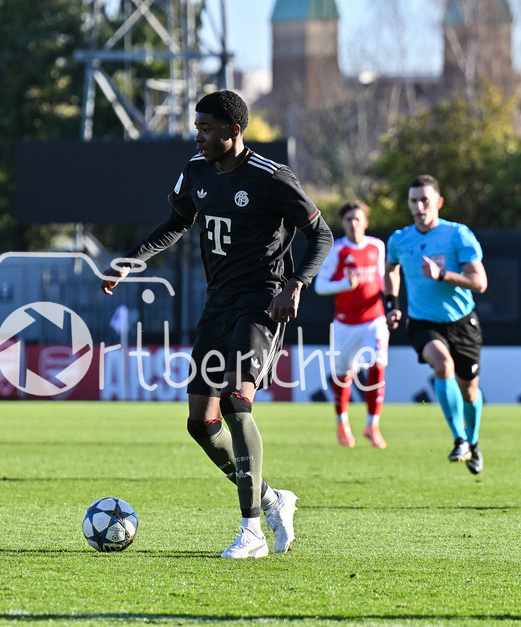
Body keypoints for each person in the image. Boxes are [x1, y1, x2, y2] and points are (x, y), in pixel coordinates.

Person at [100, 90, 333, 558]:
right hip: (218, 303)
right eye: (197, 126)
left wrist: (297, 284)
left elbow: (321, 234)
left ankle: (251, 532)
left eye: (206, 128)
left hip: (262, 302)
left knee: (235, 401)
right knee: (200, 423)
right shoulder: (196, 172)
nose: (198, 135)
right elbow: (175, 222)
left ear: (234, 130)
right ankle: (271, 499)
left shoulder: (272, 178)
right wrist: (133, 260)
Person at [385, 175, 487, 474]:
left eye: (424, 200)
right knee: (442, 364)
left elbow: (479, 282)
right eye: (413, 200)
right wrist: (392, 304)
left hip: (462, 323)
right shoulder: (399, 239)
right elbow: (391, 268)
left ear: (438, 203)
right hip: (423, 322)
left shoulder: (458, 235)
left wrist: (442, 275)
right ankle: (458, 438)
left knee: (469, 392)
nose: (418, 206)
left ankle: (473, 441)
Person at [314, 201, 389, 449]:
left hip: (373, 320)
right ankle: (341, 422)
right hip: (345, 324)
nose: (353, 223)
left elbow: (381, 280)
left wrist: (390, 304)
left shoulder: (377, 246)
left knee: (378, 366)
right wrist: (345, 286)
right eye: (348, 219)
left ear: (366, 222)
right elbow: (320, 286)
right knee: (343, 375)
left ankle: (372, 424)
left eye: (357, 219)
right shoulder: (337, 250)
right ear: (343, 223)